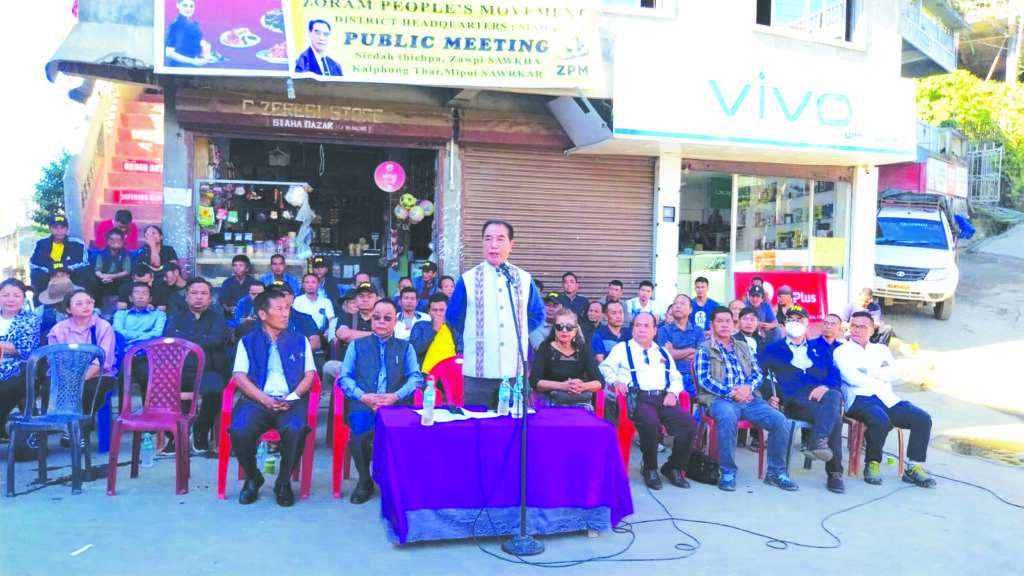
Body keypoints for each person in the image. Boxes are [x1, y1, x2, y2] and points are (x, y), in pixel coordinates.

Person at [228, 290, 317, 507]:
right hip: (256, 401)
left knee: (296, 429)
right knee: (239, 430)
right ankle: (253, 477)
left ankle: (283, 482)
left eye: (287, 308)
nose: (286, 314)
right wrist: (264, 399)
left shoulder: (300, 340)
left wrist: (293, 397)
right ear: (262, 314)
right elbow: (239, 377)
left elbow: (310, 375)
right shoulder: (247, 342)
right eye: (279, 309)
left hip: (290, 401)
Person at [694, 306, 796, 492]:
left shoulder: (743, 346)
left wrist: (747, 388)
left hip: (749, 398)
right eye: (719, 321)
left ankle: (776, 473)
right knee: (727, 417)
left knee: (780, 420)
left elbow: (758, 373)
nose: (724, 325)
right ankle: (728, 471)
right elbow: (704, 380)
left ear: (733, 324)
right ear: (712, 324)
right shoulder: (704, 349)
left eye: (728, 321)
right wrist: (732, 392)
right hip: (720, 399)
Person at [446, 219, 544, 409]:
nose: (493, 245)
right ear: (482, 243)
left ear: (511, 244)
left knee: (513, 422)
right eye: (488, 239)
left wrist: (516, 332)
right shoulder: (468, 279)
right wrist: (479, 332)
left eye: (500, 239)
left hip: (514, 370)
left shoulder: (524, 279)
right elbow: (453, 317)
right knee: (478, 421)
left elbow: (537, 314)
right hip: (478, 373)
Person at [834, 311, 936, 487]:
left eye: (861, 327)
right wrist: (880, 375)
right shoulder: (842, 351)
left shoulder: (881, 350)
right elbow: (852, 378)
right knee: (880, 420)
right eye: (854, 326)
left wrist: (867, 372)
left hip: (887, 398)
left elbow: (894, 373)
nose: (856, 330)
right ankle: (872, 463)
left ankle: (914, 467)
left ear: (872, 330)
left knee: (922, 418)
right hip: (859, 399)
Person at [338, 300, 422, 504]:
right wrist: (362, 396)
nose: (381, 322)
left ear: (395, 321)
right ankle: (364, 480)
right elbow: (345, 377)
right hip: (364, 403)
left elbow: (415, 378)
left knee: (404, 432)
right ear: (371, 320)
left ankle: (395, 479)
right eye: (376, 317)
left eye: (387, 318)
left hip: (395, 405)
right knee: (359, 433)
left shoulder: (406, 347)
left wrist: (395, 396)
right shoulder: (356, 345)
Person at [600, 312, 697, 490]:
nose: (641, 329)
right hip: (639, 398)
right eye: (637, 325)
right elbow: (605, 368)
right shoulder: (622, 349)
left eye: (646, 326)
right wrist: (616, 381)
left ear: (654, 330)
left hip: (664, 398)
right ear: (632, 329)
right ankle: (650, 468)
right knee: (651, 424)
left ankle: (673, 467)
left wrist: (673, 393)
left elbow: (675, 377)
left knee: (689, 423)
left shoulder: (662, 352)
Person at [759, 305, 846, 494]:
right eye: (790, 320)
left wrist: (824, 387)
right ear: (784, 324)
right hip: (795, 401)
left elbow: (834, 375)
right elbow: (758, 375)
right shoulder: (774, 349)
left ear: (807, 325)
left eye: (799, 320)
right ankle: (834, 473)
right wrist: (769, 395)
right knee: (835, 417)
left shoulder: (819, 348)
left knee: (834, 394)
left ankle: (819, 440)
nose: (794, 323)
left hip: (822, 399)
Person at [162, 277, 228, 454]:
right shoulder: (175, 318)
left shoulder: (218, 318)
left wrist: (184, 338)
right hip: (179, 369)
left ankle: (201, 430)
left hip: (208, 369)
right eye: (194, 293)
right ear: (186, 297)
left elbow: (216, 340)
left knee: (215, 390)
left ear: (210, 298)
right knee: (166, 391)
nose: (199, 297)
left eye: (204, 293)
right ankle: (176, 435)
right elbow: (170, 338)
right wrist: (201, 339)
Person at [47, 289, 118, 447]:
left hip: (98, 374)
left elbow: (103, 361)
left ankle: (78, 428)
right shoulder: (58, 330)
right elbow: (55, 360)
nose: (85, 306)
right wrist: (70, 378)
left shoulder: (103, 327)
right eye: (79, 303)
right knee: (48, 388)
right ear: (68, 309)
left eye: (89, 302)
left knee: (90, 389)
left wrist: (80, 379)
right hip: (65, 375)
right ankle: (68, 425)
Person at [530, 309, 604, 409]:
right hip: (550, 404)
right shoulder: (545, 348)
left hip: (578, 403)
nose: (564, 330)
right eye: (559, 327)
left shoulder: (583, 349)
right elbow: (534, 382)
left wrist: (582, 386)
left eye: (569, 327)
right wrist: (562, 386)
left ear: (575, 330)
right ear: (554, 329)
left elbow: (600, 382)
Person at [0, 279, 41, 442]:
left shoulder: (30, 319)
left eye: (16, 295)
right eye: (5, 295)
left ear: (23, 298)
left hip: (20, 369)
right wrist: (9, 346)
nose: (10, 299)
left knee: (7, 386)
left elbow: (26, 349)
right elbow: (15, 346)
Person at [322, 282, 377, 388]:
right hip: (348, 367)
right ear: (356, 299)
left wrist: (353, 335)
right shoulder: (346, 317)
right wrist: (373, 335)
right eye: (361, 296)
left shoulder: (381, 318)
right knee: (329, 367)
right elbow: (343, 334)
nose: (365, 299)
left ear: (377, 299)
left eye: (369, 296)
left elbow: (385, 337)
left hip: (375, 367)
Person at [30, 214, 91, 298]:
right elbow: (33, 263)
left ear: (67, 229)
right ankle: (41, 302)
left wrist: (63, 270)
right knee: (36, 273)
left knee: (84, 271)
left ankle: (79, 298)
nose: (59, 231)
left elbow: (84, 262)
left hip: (70, 274)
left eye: (62, 228)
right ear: (50, 229)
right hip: (48, 274)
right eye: (55, 228)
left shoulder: (77, 243)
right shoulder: (42, 243)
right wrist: (53, 271)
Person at [657, 294, 704, 396]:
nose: (678, 306)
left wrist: (675, 352)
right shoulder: (664, 330)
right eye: (675, 303)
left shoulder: (698, 331)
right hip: (672, 377)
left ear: (690, 310)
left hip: (694, 377)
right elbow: (668, 355)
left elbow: (701, 356)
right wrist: (692, 350)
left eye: (682, 303)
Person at [112, 282, 167, 348]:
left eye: (145, 294)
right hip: (123, 350)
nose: (141, 297)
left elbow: (157, 334)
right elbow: (117, 332)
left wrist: (132, 342)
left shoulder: (159, 315)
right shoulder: (120, 314)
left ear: (150, 299)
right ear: (130, 298)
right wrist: (144, 335)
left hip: (148, 350)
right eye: (137, 293)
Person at [91, 228, 133, 311]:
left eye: (118, 240)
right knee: (94, 280)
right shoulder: (102, 253)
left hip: (119, 280)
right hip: (104, 280)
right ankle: (97, 307)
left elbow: (126, 271)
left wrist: (111, 276)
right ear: (108, 241)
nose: (116, 242)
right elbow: (97, 270)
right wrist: (103, 277)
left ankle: (125, 307)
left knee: (128, 280)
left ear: (122, 241)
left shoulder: (126, 254)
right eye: (112, 240)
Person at [409, 293, 454, 372]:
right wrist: (434, 329)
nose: (438, 314)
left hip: (451, 372)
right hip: (427, 372)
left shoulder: (455, 328)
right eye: (434, 310)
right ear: (429, 311)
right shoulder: (420, 326)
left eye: (442, 310)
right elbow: (416, 349)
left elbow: (461, 351)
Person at [165, 0, 213, 67]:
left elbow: (199, 40)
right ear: (178, 5)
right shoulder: (176, 25)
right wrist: (193, 61)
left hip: (192, 66)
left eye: (191, 6)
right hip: (179, 68)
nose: (188, 9)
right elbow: (169, 53)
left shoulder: (194, 22)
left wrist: (206, 48)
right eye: (185, 5)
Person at [218, 255, 259, 321]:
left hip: (249, 316)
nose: (237, 268)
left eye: (241, 265)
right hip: (231, 317)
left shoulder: (253, 283)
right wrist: (228, 308)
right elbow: (222, 300)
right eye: (235, 265)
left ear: (247, 268)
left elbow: (258, 300)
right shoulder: (227, 282)